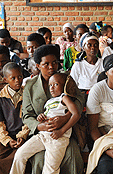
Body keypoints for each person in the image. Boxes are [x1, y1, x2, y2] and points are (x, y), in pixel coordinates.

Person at [22, 44, 85, 174]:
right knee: (40, 160)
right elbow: (27, 116)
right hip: (42, 134)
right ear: (38, 65)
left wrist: (66, 117)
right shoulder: (30, 86)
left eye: (54, 63)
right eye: (46, 64)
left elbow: (79, 99)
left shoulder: (65, 78)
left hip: (65, 131)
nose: (51, 67)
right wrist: (40, 126)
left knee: (72, 155)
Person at [10, 73, 81, 174]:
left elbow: (76, 114)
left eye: (56, 84)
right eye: (50, 85)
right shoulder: (49, 101)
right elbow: (48, 114)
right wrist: (41, 117)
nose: (52, 88)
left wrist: (61, 131)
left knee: (50, 169)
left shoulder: (64, 98)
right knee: (19, 155)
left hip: (57, 139)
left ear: (64, 85)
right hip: (42, 136)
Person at [0, 62, 30, 174]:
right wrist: (8, 141)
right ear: (5, 79)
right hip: (6, 136)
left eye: (20, 76)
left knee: (22, 157)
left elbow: (30, 119)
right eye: (13, 78)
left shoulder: (27, 94)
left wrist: (22, 136)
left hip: (25, 135)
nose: (17, 80)